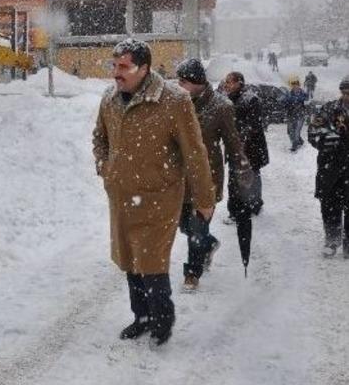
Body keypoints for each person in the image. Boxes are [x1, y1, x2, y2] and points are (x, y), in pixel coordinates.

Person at [93, 39, 215, 347]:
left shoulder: (174, 100)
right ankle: (141, 317)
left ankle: (162, 320)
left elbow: (195, 153)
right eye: (114, 65)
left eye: (124, 67)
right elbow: (99, 138)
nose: (116, 73)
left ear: (144, 68)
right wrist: (105, 167)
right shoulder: (109, 99)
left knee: (151, 263)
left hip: (158, 197)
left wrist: (204, 199)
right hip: (121, 197)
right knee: (129, 260)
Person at [175, 59, 252, 291]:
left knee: (197, 227)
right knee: (184, 225)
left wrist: (242, 172)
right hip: (178, 177)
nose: (178, 85)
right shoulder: (175, 103)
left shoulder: (221, 106)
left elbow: (233, 144)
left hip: (207, 176)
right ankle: (208, 246)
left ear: (198, 82)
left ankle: (192, 273)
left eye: (183, 81)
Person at [307, 76, 349, 258]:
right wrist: (325, 140)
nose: (347, 96)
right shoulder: (328, 109)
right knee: (330, 205)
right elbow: (313, 133)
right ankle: (332, 239)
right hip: (329, 167)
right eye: (345, 92)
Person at [223, 72, 269, 217]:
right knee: (235, 178)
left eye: (229, 82)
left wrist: (239, 138)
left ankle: (251, 206)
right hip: (236, 147)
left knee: (251, 177)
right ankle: (240, 208)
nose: (226, 85)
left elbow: (254, 125)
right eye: (226, 82)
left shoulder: (250, 99)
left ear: (239, 82)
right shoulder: (229, 99)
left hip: (250, 148)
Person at [284, 76, 308, 151]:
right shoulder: (289, 93)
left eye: (296, 85)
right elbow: (285, 102)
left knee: (297, 131)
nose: (295, 86)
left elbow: (306, 100)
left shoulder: (303, 93)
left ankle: (294, 145)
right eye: (293, 85)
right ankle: (300, 141)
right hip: (291, 115)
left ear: (299, 85)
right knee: (290, 131)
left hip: (300, 115)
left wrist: (294, 99)